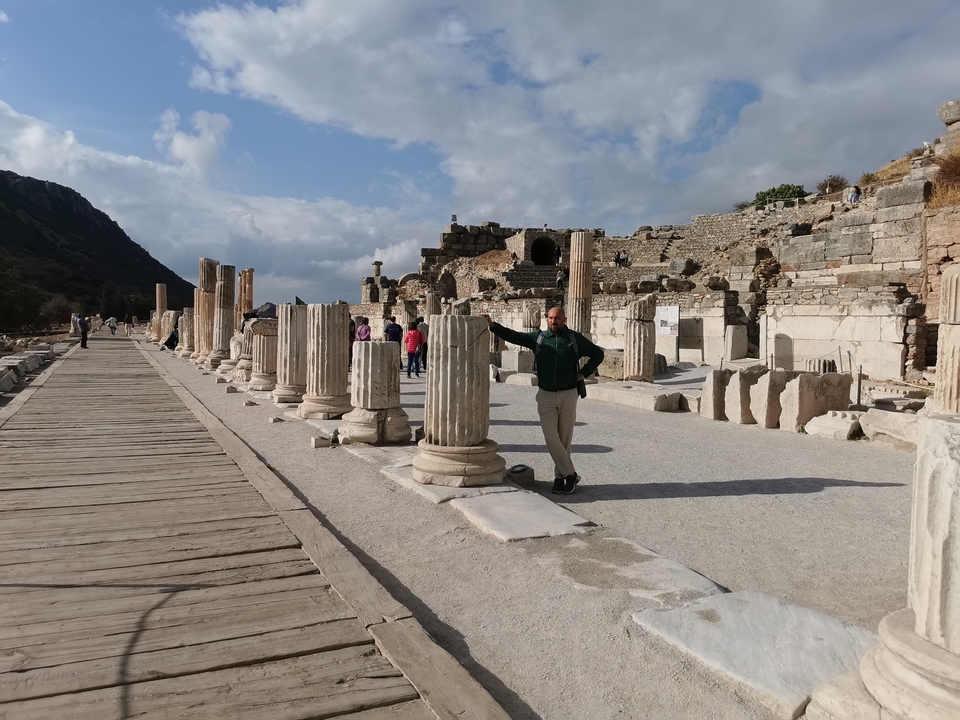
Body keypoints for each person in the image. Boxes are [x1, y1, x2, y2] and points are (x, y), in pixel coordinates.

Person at [481, 307, 604, 495]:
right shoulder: (538, 338)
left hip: (569, 393)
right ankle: (570, 474)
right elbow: (515, 336)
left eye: (557, 318)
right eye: (550, 318)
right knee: (551, 437)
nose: (553, 321)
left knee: (564, 439)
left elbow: (598, 354)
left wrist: (582, 373)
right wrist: (493, 326)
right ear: (547, 319)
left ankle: (559, 477)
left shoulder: (574, 338)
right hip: (546, 394)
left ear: (564, 319)